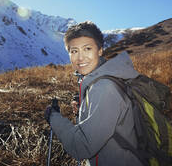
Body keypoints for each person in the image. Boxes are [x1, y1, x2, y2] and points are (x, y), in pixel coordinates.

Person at [45, 21, 144, 166]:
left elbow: (82, 147)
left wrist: (53, 117)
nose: (80, 58)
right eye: (74, 51)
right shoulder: (101, 79)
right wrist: (84, 108)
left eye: (87, 48)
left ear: (100, 50)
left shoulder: (104, 87)